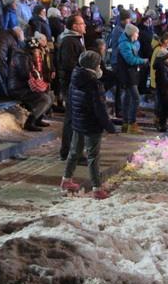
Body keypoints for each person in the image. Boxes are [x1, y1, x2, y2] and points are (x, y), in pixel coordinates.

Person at [60, 51, 116, 198]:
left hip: (78, 121)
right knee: (93, 156)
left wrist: (73, 119)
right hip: (92, 124)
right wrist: (109, 126)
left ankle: (66, 179)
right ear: (94, 66)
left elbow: (71, 101)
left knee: (74, 152)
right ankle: (97, 188)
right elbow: (100, 109)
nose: (100, 68)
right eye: (98, 65)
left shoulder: (75, 78)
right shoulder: (94, 84)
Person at [7, 37, 53, 131]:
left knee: (49, 94)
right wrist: (35, 71)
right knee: (45, 99)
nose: (37, 52)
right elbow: (25, 74)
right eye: (35, 50)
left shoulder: (26, 56)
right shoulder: (21, 57)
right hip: (18, 89)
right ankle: (30, 122)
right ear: (30, 50)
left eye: (38, 50)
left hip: (24, 86)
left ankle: (38, 118)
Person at [57, 15, 86, 160]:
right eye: (82, 23)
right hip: (72, 84)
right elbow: (70, 64)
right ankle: (69, 151)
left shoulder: (75, 39)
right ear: (74, 26)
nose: (84, 25)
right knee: (73, 119)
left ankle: (72, 150)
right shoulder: (69, 41)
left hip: (75, 83)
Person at [116, 23, 148, 133]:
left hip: (130, 74)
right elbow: (130, 60)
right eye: (136, 33)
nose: (138, 35)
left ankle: (125, 124)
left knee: (127, 98)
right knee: (136, 98)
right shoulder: (125, 45)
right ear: (131, 34)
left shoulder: (130, 43)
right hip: (128, 75)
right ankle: (132, 123)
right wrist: (143, 61)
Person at [154, 51, 168, 132]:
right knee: (165, 109)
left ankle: (163, 124)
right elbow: (164, 80)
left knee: (167, 108)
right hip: (165, 92)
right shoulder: (162, 68)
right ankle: (162, 125)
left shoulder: (165, 67)